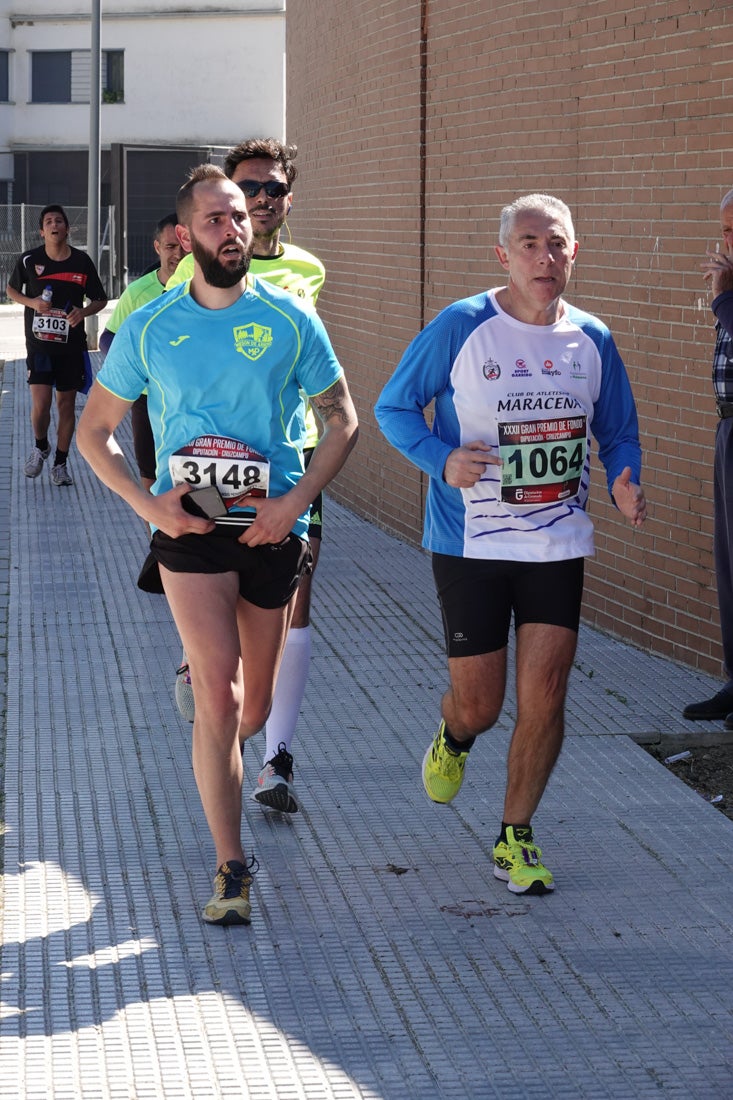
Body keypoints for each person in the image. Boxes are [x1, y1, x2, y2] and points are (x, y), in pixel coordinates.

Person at [77, 164, 358, 926]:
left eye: (238, 216)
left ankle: (220, 750)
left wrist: (294, 504)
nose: (233, 228)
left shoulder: (290, 317)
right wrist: (151, 505)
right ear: (183, 235)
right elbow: (93, 434)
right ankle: (230, 864)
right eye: (215, 219)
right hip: (193, 520)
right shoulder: (152, 324)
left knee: (254, 707)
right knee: (219, 691)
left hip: (269, 517)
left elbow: (342, 421)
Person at [375, 193, 647, 896]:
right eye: (528, 244)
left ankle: (514, 835)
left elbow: (617, 429)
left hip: (556, 541)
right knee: (482, 705)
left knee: (547, 694)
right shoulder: (462, 326)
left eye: (555, 244)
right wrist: (442, 460)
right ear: (504, 255)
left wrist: (623, 478)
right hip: (472, 540)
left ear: (573, 253)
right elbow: (394, 407)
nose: (543, 257)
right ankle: (454, 734)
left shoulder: (592, 338)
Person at [168, 139, 327, 816]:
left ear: (289, 201)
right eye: (249, 189)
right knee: (211, 578)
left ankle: (276, 758)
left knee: (297, 598)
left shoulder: (308, 271)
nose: (261, 201)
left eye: (274, 190)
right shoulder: (190, 275)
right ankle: (204, 671)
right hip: (210, 467)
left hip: (289, 466)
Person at [7, 204, 108, 486]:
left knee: (66, 405)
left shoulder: (81, 262)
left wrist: (82, 312)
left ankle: (60, 464)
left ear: (66, 229)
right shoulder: (29, 260)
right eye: (48, 221)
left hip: (70, 348)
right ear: (42, 231)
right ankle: (41, 447)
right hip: (39, 346)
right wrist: (33, 303)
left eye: (59, 221)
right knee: (40, 405)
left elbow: (100, 299)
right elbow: (11, 289)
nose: (54, 225)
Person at [683, 189, 733, 727]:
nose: (728, 243)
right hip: (728, 427)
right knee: (728, 561)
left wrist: (723, 299)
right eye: (724, 231)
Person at [99, 213, 185, 491]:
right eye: (170, 246)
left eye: (184, 245)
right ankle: (154, 532)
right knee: (150, 475)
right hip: (149, 401)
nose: (179, 253)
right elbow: (108, 339)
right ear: (157, 247)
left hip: (191, 400)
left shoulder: (207, 290)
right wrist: (137, 376)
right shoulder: (138, 292)